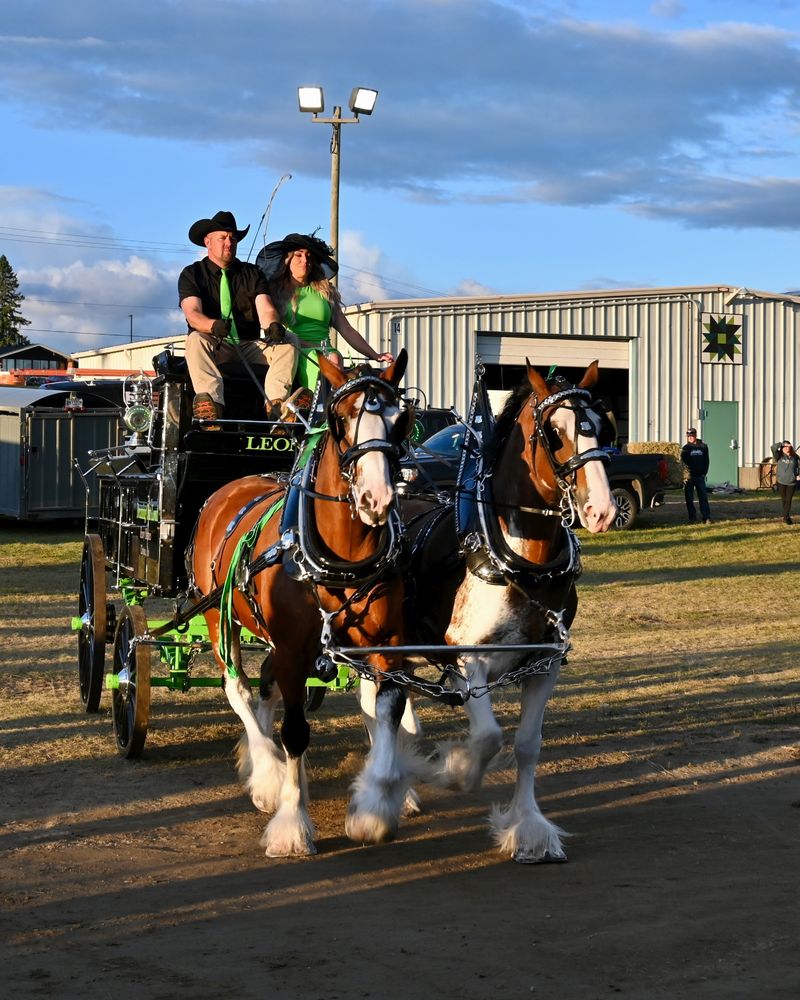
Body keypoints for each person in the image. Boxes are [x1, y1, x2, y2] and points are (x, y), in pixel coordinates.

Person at [179, 210, 299, 422]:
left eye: (232, 238)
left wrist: (273, 325)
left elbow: (266, 306)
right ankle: (211, 406)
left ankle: (276, 407)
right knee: (195, 339)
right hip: (214, 343)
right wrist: (212, 325)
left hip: (249, 345)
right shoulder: (192, 274)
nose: (229, 243)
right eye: (222, 238)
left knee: (289, 340)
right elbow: (193, 314)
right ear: (208, 242)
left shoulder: (252, 273)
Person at [256, 233, 393, 389]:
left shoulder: (325, 291)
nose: (305, 260)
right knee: (331, 363)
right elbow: (275, 331)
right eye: (298, 255)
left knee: (352, 369)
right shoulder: (276, 292)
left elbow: (347, 329)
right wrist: (314, 347)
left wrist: (374, 354)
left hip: (328, 352)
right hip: (296, 351)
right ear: (287, 260)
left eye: (308, 256)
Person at [681, 427, 712, 524]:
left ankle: (706, 517)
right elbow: (682, 462)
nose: (690, 437)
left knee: (703, 497)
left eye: (692, 436)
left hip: (700, 476)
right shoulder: (686, 448)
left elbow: (706, 461)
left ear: (695, 435)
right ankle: (692, 517)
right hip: (689, 477)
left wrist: (704, 473)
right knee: (689, 498)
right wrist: (685, 475)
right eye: (688, 436)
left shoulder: (703, 447)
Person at [770, 439, 800, 524]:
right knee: (784, 500)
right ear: (782, 448)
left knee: (788, 500)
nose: (786, 448)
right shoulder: (779, 456)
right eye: (785, 447)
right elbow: (773, 448)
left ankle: (785, 517)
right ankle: (787, 517)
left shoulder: (795, 457)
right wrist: (781, 443)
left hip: (792, 482)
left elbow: (799, 466)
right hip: (781, 482)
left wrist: (798, 475)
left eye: (788, 446)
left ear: (791, 447)